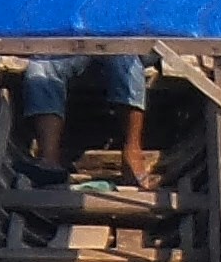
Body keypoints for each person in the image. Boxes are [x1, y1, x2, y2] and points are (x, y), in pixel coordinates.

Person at [14, 52, 153, 188]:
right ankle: (49, 160)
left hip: (126, 44)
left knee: (125, 60)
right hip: (74, 44)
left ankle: (133, 151)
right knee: (42, 67)